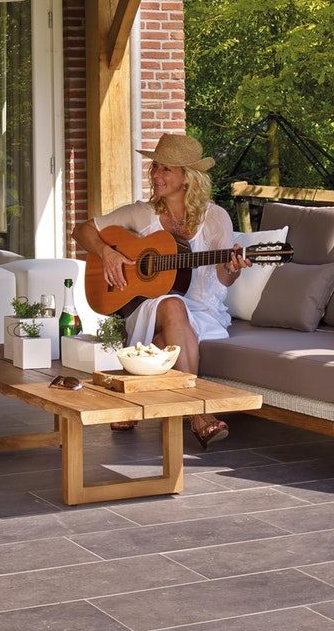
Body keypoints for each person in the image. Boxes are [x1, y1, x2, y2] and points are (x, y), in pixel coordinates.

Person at [72, 133, 251, 449]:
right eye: (154, 166)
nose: (155, 175)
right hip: (148, 307)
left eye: (165, 169)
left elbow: (224, 279)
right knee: (170, 303)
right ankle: (197, 413)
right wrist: (107, 253)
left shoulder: (216, 218)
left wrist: (233, 268)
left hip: (202, 311)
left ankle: (133, 397)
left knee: (166, 329)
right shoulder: (141, 213)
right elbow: (82, 230)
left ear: (187, 177)